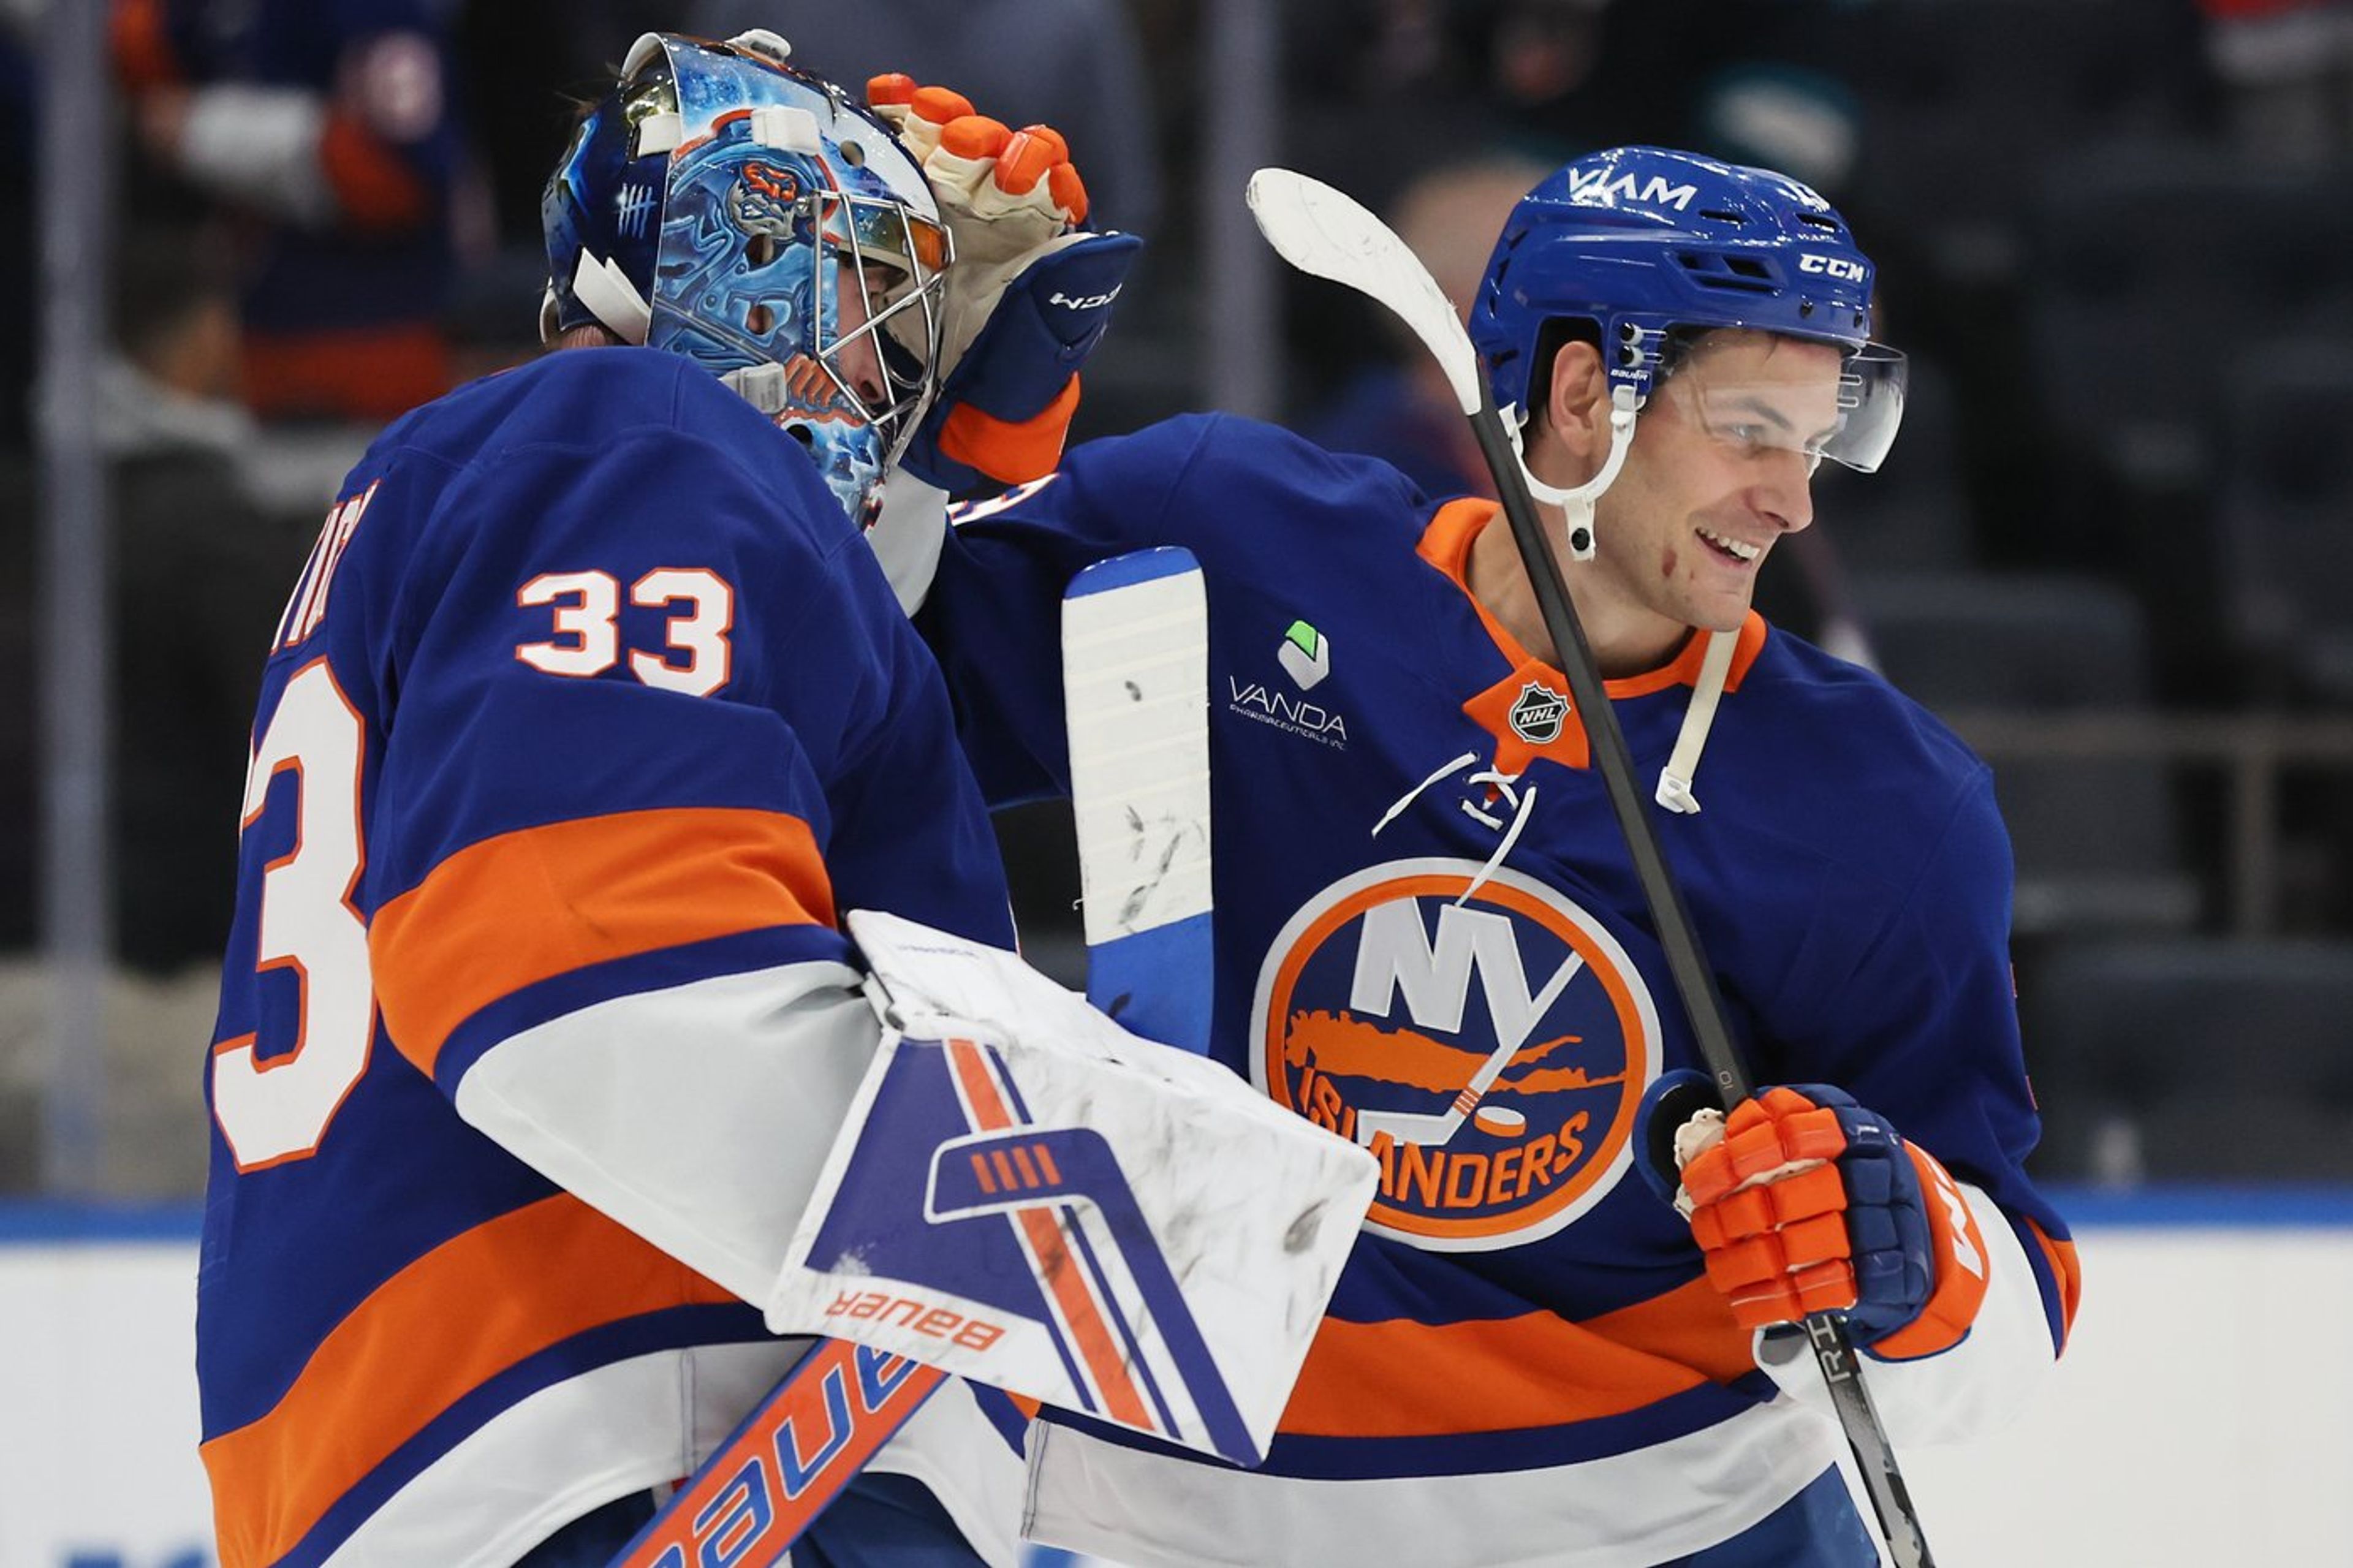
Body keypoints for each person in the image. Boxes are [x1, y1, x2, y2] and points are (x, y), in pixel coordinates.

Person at [909, 146, 2083, 1564]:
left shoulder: (1885, 804)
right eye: (1751, 428)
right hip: (1176, 1508)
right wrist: (910, 430)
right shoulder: (1229, 534)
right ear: (1582, 396)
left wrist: (1899, 1242)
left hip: (1672, 1521)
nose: (1795, 499)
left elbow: (2017, 1289)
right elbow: (853, 705)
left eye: (1819, 437)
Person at [192, 31, 1132, 1568]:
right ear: (722, 261)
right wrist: (1045, 1201)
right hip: (628, 1414)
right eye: (859, 297)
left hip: (432, 1432)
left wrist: (931, 487)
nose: (884, 374)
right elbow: (582, 970)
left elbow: (785, 737)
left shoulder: (506, 478)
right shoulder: (632, 429)